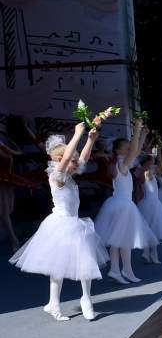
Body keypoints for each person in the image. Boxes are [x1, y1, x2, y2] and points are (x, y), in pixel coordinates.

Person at [9, 123, 108, 320]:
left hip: (75, 223)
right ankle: (54, 303)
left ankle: (86, 300)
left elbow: (83, 159)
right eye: (72, 160)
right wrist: (77, 134)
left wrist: (90, 139)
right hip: (61, 225)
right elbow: (69, 158)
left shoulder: (69, 176)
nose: (76, 162)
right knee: (58, 268)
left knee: (85, 261)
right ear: (60, 160)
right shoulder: (57, 176)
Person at [93, 120, 157, 284]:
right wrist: (136, 129)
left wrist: (143, 134)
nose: (130, 148)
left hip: (118, 204)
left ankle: (117, 270)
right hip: (123, 205)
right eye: (127, 146)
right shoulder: (122, 163)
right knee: (124, 240)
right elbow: (135, 151)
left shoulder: (119, 163)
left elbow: (137, 150)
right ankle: (124, 270)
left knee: (117, 240)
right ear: (118, 150)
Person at [136, 154, 162, 261]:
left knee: (150, 228)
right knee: (153, 229)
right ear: (148, 162)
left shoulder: (145, 172)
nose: (154, 162)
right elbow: (139, 188)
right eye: (152, 160)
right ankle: (151, 253)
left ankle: (148, 253)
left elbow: (139, 189)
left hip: (149, 203)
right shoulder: (147, 172)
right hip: (152, 203)